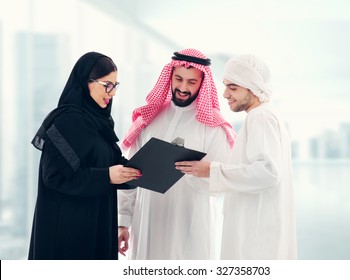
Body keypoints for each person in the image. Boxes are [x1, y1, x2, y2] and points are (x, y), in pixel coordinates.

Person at [118, 48, 236, 259]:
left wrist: (200, 172)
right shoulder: (149, 119)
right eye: (178, 79)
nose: (183, 87)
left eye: (191, 82)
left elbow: (224, 180)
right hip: (147, 221)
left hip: (190, 224)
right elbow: (129, 176)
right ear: (169, 77)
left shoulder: (214, 127)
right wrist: (122, 222)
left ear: (202, 83)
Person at [176, 54, 297, 259]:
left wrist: (212, 170)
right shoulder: (264, 116)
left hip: (257, 236)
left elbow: (268, 173)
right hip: (258, 228)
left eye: (233, 88)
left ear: (253, 88)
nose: (225, 94)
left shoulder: (260, 117)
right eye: (225, 86)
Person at [28, 52, 141, 260]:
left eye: (115, 86)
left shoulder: (100, 123)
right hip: (68, 233)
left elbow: (109, 164)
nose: (112, 93)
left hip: (96, 223)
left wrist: (144, 170)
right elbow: (54, 177)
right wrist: (107, 176)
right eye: (107, 85)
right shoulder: (66, 122)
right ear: (85, 83)